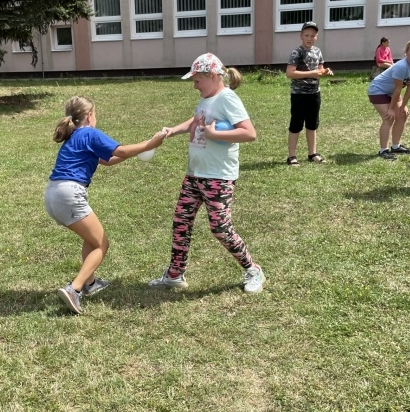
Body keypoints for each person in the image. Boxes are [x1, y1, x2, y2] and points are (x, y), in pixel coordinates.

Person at [148, 52, 265, 294]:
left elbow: (249, 133)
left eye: (197, 80)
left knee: (220, 227)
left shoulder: (227, 98)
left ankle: (253, 269)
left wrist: (215, 135)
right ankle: (175, 274)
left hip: (218, 177)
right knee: (181, 222)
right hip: (195, 174)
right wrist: (173, 130)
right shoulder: (207, 97)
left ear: (212, 76)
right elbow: (196, 121)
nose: (194, 85)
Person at [46, 96, 166, 314]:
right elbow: (119, 151)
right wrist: (150, 144)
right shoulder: (89, 133)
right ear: (90, 114)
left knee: (90, 238)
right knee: (102, 244)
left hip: (53, 194)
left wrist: (139, 149)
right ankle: (75, 288)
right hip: (70, 194)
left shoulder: (73, 136)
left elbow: (108, 160)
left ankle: (90, 283)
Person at [367, 39, 410, 160]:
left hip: (392, 91)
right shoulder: (401, 66)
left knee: (403, 114)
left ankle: (396, 146)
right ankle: (383, 150)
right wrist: (391, 108)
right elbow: (398, 89)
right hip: (378, 90)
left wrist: (403, 105)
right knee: (389, 118)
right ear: (406, 52)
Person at [285, 21, 334, 166]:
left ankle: (312, 153)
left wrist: (325, 72)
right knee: (296, 124)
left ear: (316, 37)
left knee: (312, 124)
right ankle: (292, 156)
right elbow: (289, 73)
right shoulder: (297, 52)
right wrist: (311, 73)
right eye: (306, 35)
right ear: (301, 36)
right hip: (299, 95)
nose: (309, 38)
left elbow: (320, 70)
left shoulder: (317, 51)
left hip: (314, 94)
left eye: (312, 35)